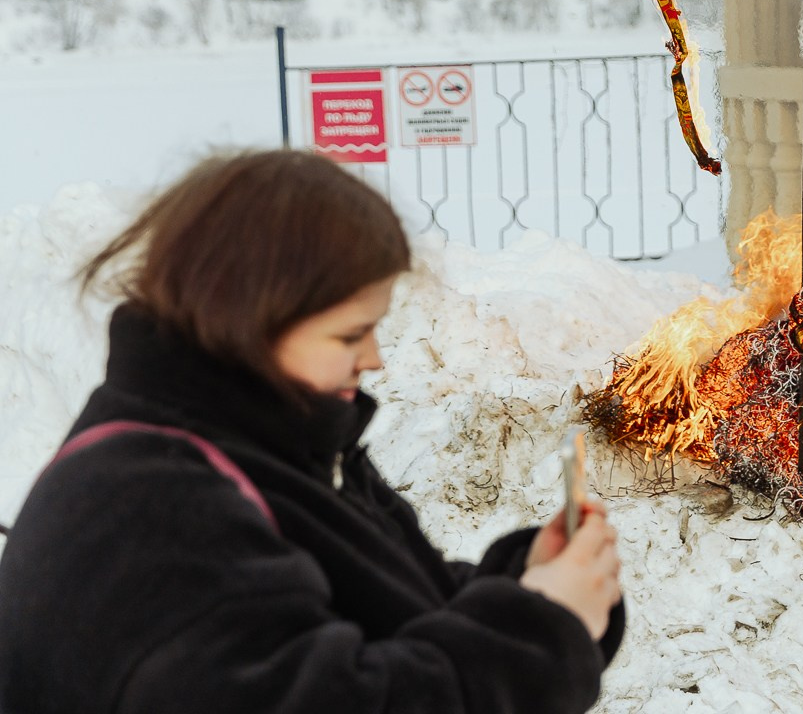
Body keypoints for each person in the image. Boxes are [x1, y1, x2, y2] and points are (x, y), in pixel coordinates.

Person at [0, 149, 625, 714]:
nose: (375, 356)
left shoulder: (272, 441)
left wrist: (525, 587)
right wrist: (539, 628)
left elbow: (394, 613)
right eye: (351, 334)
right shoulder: (153, 508)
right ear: (248, 319)